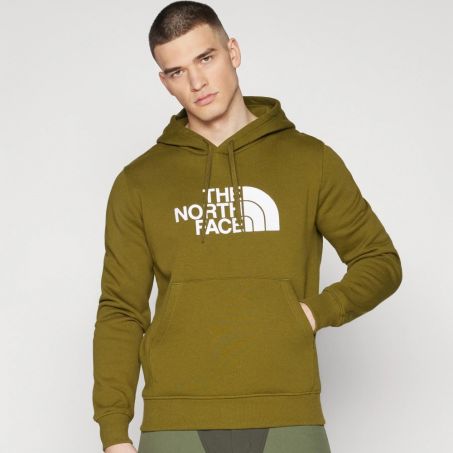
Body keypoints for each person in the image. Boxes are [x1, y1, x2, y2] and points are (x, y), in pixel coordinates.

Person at [92, 1, 403, 452]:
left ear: (232, 51)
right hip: (175, 419)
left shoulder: (309, 161)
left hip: (288, 412)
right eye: (177, 71)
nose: (197, 82)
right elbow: (121, 311)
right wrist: (113, 433)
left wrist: (315, 312)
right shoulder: (139, 182)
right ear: (165, 82)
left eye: (206, 58)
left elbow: (380, 261)